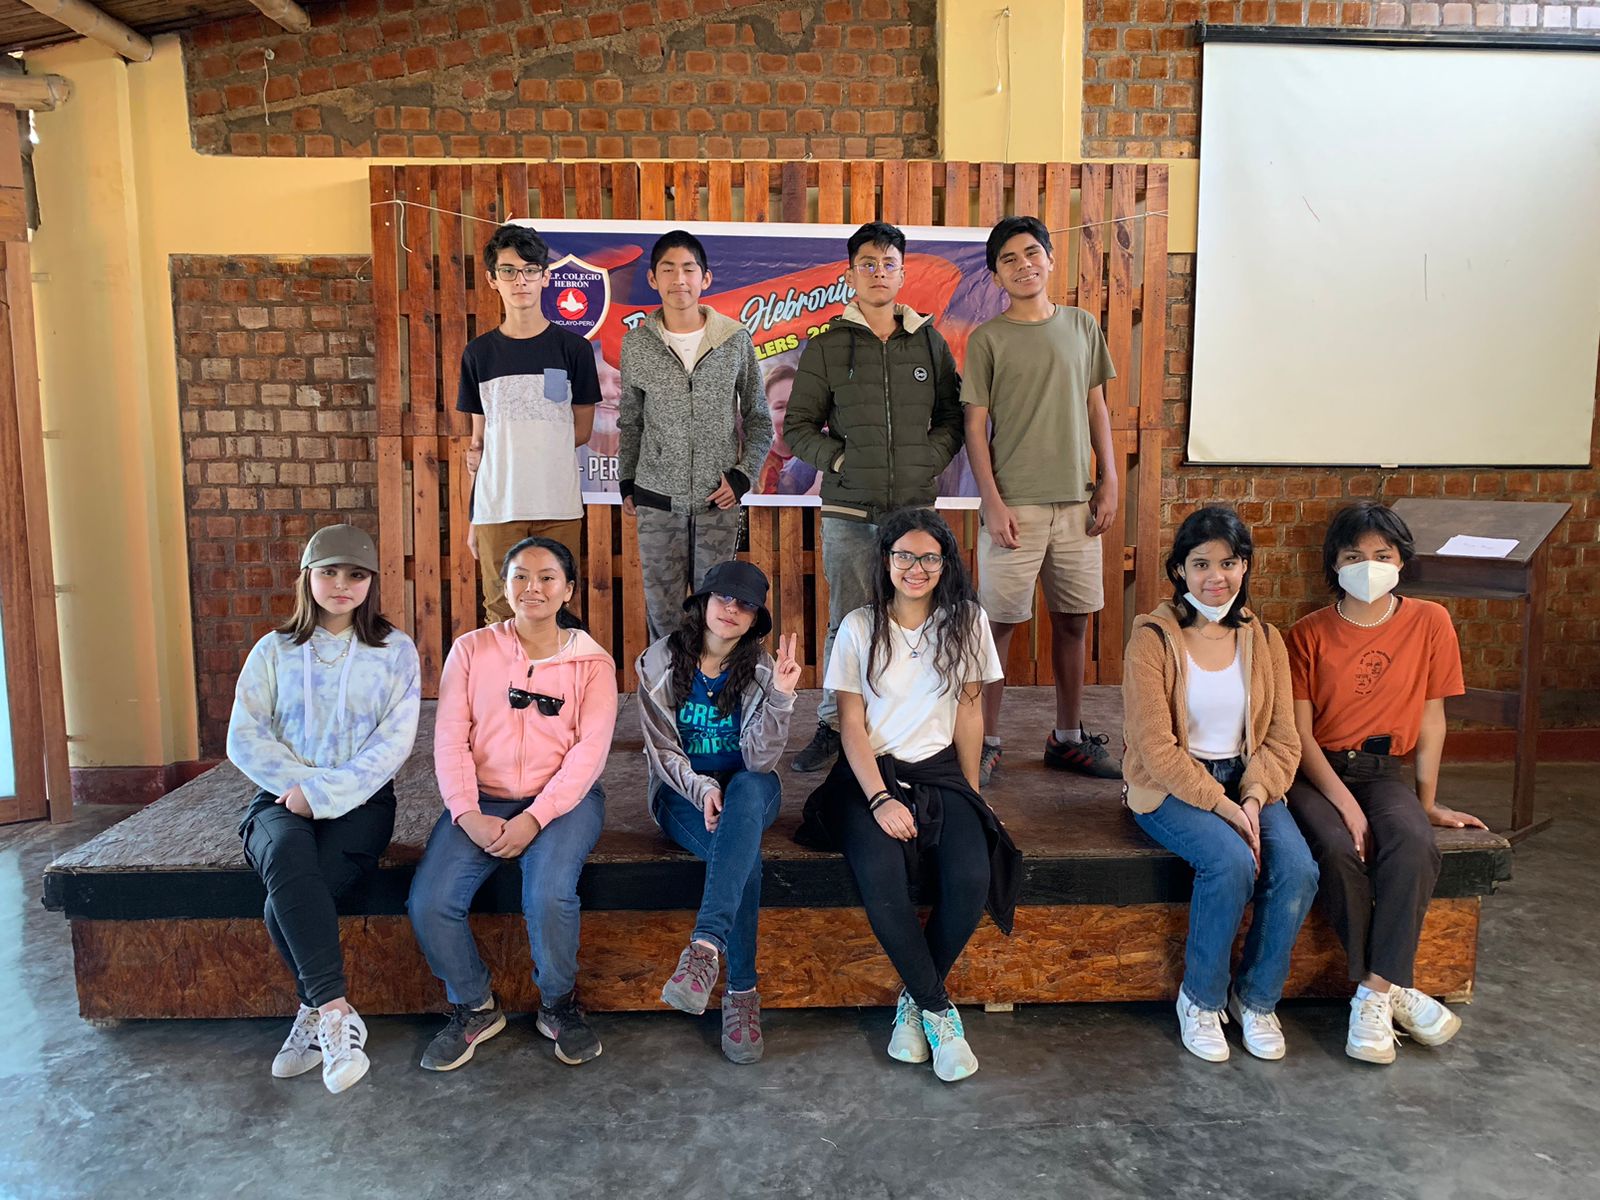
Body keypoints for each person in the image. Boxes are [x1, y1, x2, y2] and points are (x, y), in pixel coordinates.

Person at [795, 509, 1019, 1083]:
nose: (915, 568)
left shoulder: (966, 620)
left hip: (940, 771)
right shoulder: (858, 626)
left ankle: (912, 1003)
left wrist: (971, 794)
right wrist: (878, 799)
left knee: (972, 874)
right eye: (904, 556)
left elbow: (969, 713)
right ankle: (942, 1014)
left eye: (928, 557)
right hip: (868, 773)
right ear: (886, 560)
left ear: (944, 565)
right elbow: (849, 724)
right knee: (882, 872)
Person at [1286, 502, 1487, 1065]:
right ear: (1334, 564)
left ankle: (1373, 994)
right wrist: (1348, 807)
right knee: (1335, 845)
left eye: (1382, 555)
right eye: (1354, 556)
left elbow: (1431, 717)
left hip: (1383, 770)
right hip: (1317, 772)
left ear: (1402, 561)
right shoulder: (1305, 634)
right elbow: (1299, 736)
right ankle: (1394, 989)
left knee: (1413, 842)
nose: (1368, 565)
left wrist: (1425, 805)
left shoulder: (1430, 623)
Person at [407, 537, 618, 1069]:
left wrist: (535, 817)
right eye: (521, 576)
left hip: (563, 803)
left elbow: (588, 755)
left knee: (549, 894)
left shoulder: (592, 663)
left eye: (548, 577)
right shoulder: (472, 650)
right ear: (505, 587)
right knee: (429, 903)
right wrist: (465, 811)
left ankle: (558, 1004)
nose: (533, 587)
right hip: (480, 799)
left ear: (568, 589)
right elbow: (450, 736)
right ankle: (473, 1004)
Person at [227, 523, 421, 1094]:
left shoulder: (394, 651)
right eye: (329, 572)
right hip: (278, 796)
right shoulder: (273, 649)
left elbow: (395, 741)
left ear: (372, 583)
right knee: (286, 852)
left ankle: (311, 1013)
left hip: (362, 804)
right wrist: (298, 789)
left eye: (355, 574)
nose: (341, 584)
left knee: (282, 905)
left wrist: (328, 793)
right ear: (307, 577)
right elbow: (245, 734)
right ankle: (337, 1012)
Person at [1122, 505, 1317, 1062]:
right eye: (1201, 563)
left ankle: (1255, 999)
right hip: (1170, 786)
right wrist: (1227, 810)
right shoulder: (1153, 640)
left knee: (1299, 868)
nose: (1216, 577)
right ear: (1179, 570)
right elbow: (1156, 750)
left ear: (1245, 566)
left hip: (1248, 780)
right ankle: (1201, 999)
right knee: (1230, 862)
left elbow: (1283, 741)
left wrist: (1252, 797)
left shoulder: (1266, 640)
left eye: (1229, 563)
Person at [784, 222, 964, 774]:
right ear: (851, 273)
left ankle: (914, 725)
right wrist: (841, 461)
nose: (878, 272)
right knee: (848, 620)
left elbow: (953, 419)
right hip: (850, 512)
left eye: (888, 263)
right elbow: (797, 427)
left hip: (914, 514)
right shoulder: (828, 345)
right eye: (868, 263)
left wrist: (926, 461)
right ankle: (834, 727)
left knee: (918, 622)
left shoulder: (928, 341)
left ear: (903, 272)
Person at [961, 215, 1121, 786]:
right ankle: (988, 739)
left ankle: (1069, 737)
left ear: (1051, 259)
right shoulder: (988, 339)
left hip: (1077, 505)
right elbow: (974, 428)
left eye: (1032, 253)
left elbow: (1097, 407)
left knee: (1074, 622)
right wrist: (992, 501)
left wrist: (1110, 480)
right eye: (1009, 259)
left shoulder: (1081, 326)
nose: (1024, 265)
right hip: (1016, 507)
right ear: (996, 274)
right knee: (997, 626)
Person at [634, 560, 800, 1063]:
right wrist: (702, 789)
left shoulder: (765, 670)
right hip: (681, 795)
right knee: (742, 859)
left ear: (754, 620)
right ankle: (742, 994)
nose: (732, 609)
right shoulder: (658, 662)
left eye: (745, 603)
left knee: (748, 790)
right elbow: (662, 752)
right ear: (702, 602)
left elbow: (759, 760)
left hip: (749, 791)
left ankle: (703, 952)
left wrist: (783, 699)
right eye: (724, 597)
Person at [619, 230, 773, 640]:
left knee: (717, 615)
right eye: (668, 270)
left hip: (716, 501)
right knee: (664, 619)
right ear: (653, 279)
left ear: (705, 279)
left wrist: (742, 475)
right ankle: (664, 703)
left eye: (689, 269)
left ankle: (712, 703)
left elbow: (759, 417)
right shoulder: (636, 345)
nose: (679, 279)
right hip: (656, 501)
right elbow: (631, 420)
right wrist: (627, 481)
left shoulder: (734, 340)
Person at [460, 223, 601, 622]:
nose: (520, 280)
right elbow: (478, 443)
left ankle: (555, 688)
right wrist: (474, 519)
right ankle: (502, 687)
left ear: (546, 276)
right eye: (508, 270)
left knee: (557, 612)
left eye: (530, 269)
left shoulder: (573, 349)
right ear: (492, 279)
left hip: (557, 504)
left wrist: (539, 449)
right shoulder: (478, 354)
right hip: (497, 508)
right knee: (501, 612)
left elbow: (583, 429)